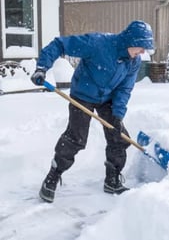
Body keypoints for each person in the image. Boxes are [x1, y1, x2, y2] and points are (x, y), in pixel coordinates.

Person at [31, 20, 154, 203]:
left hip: (107, 98)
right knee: (76, 138)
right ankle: (52, 177)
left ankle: (112, 180)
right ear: (131, 40)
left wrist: (118, 116)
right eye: (141, 47)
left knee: (118, 137)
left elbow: (124, 89)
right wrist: (42, 68)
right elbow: (60, 44)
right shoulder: (98, 43)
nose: (143, 52)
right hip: (83, 94)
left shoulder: (133, 61)